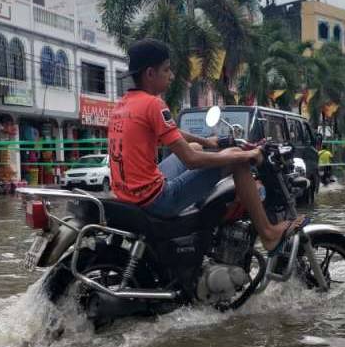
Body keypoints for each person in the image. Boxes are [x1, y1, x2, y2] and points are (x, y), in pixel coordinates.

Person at [108, 39, 301, 254]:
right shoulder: (153, 104)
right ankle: (268, 234)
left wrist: (207, 142)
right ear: (150, 74)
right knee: (238, 157)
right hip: (157, 200)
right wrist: (250, 153)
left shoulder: (124, 104)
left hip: (130, 194)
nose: (171, 76)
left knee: (197, 148)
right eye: (167, 70)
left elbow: (172, 131)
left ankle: (202, 210)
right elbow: (191, 160)